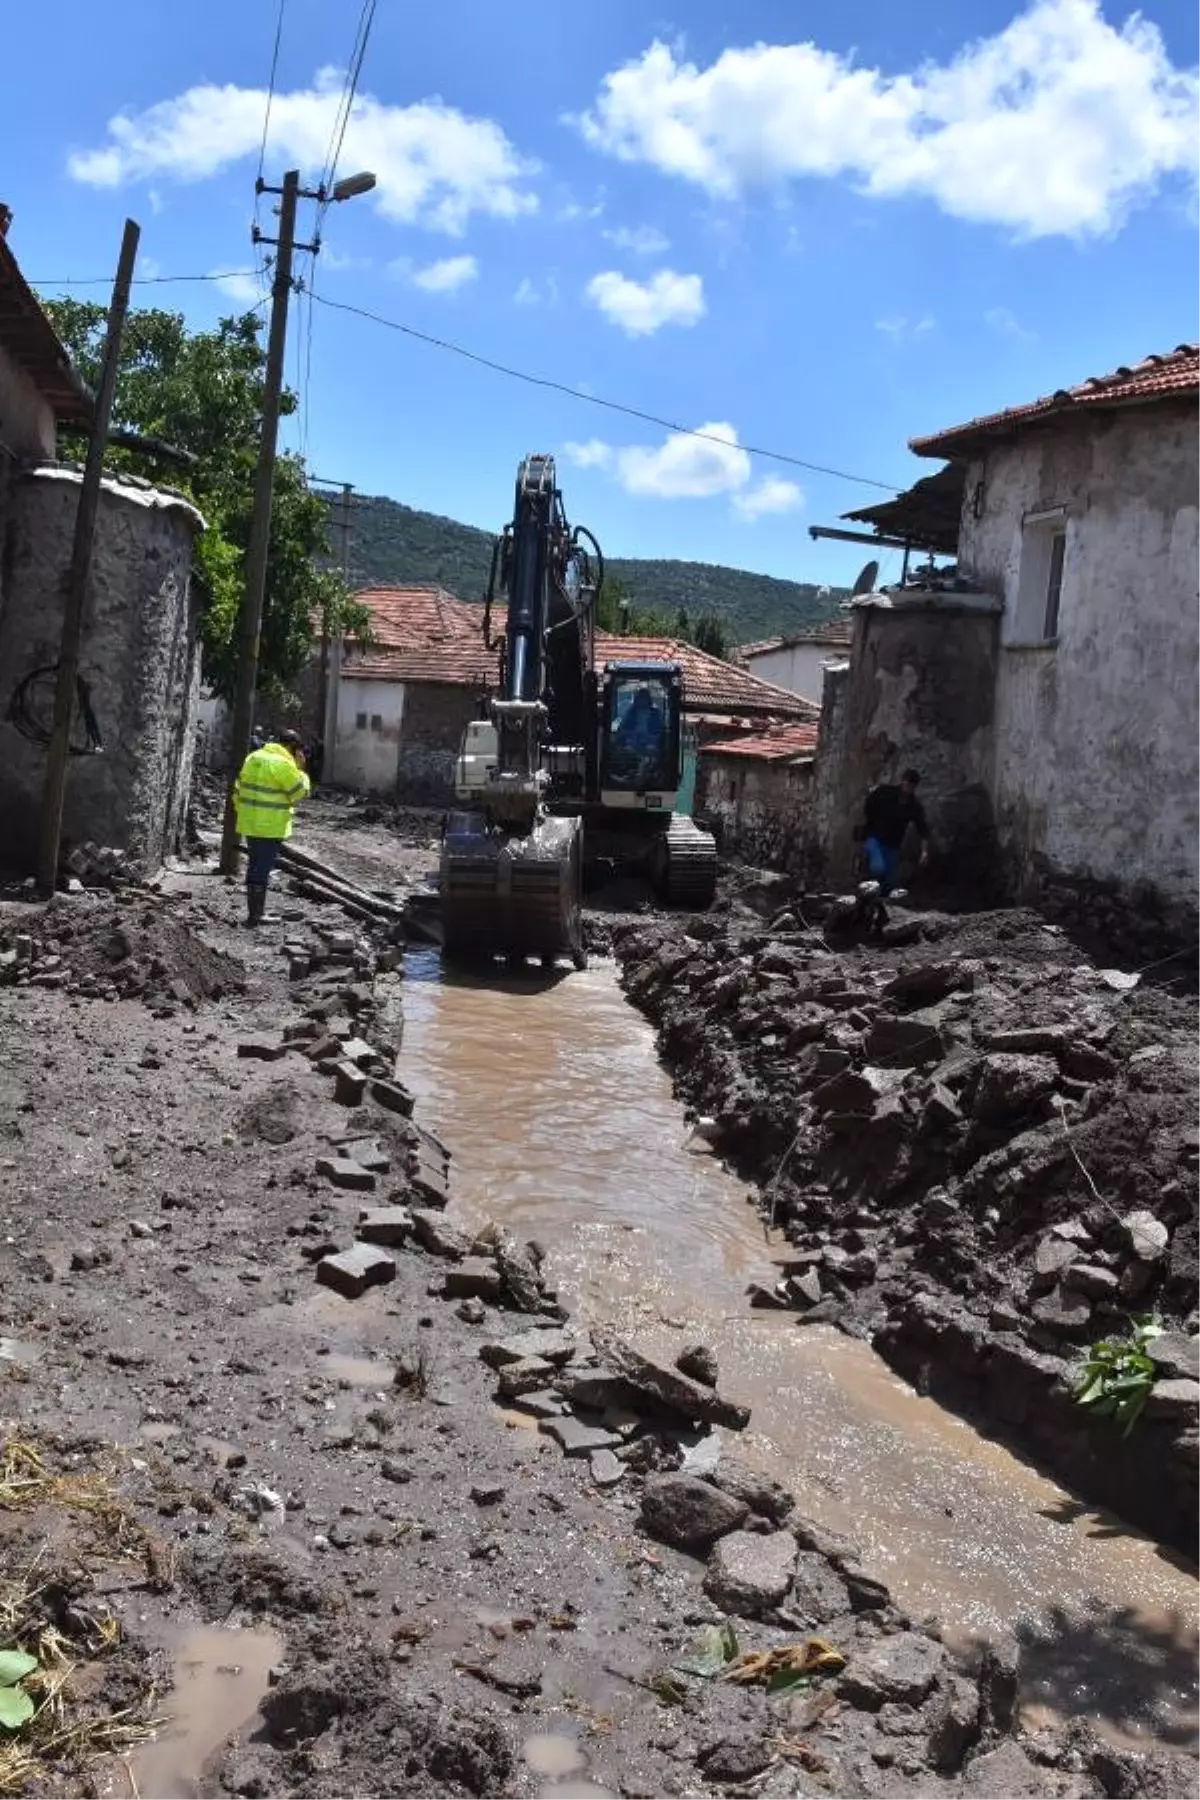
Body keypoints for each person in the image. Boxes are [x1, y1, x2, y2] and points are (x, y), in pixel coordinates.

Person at [233, 729, 311, 926]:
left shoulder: (253, 757)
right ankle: (256, 916)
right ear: (293, 747)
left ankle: (254, 913)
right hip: (270, 826)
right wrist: (301, 770)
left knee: (254, 865)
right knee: (262, 868)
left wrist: (247, 812)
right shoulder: (284, 764)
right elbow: (299, 793)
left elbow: (237, 790)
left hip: (250, 823)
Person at [861, 769, 929, 892]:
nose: (908, 788)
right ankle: (868, 893)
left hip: (893, 844)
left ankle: (880, 902)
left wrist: (924, 851)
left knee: (888, 878)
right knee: (878, 868)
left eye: (911, 786)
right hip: (875, 837)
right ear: (902, 782)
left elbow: (923, 828)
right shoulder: (886, 792)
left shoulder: (914, 806)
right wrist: (870, 822)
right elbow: (869, 803)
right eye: (907, 784)